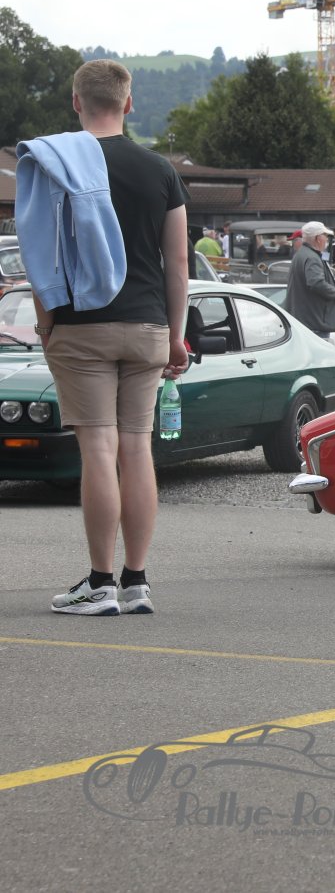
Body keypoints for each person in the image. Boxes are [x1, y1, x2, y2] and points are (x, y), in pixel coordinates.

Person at [23, 59, 189, 616]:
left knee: (98, 449)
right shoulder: (160, 170)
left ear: (76, 102)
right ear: (129, 103)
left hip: (81, 326)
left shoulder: (57, 163)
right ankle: (136, 581)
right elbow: (178, 261)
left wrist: (46, 325)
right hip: (148, 327)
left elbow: (42, 254)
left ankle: (99, 584)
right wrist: (177, 336)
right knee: (137, 447)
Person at [286, 221, 335, 339]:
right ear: (318, 238)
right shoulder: (312, 257)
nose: (326, 239)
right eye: (325, 236)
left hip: (304, 321)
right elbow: (316, 283)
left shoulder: (301, 254)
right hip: (313, 324)